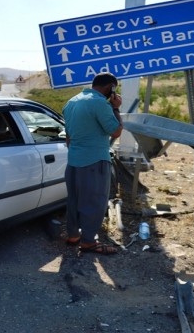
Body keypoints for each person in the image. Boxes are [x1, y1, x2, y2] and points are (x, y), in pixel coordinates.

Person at [62, 72, 123, 255]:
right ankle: (88, 242)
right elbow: (116, 131)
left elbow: (68, 138)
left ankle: (73, 235)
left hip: (73, 161)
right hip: (94, 160)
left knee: (74, 200)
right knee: (94, 202)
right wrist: (116, 108)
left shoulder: (72, 102)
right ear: (110, 87)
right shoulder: (99, 103)